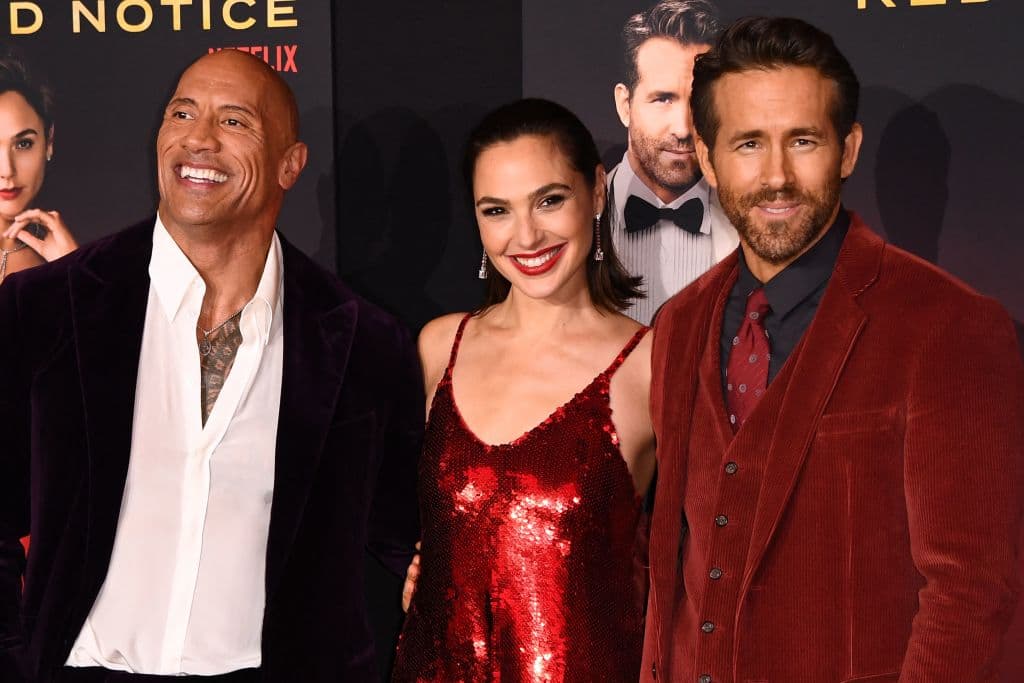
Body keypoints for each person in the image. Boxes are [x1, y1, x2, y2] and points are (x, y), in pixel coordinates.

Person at [0, 50, 422, 682]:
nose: (198, 139)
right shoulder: (45, 306)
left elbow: (404, 540)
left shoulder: (364, 341)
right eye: (182, 113)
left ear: (290, 164)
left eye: (234, 122)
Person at [642, 16, 1024, 683]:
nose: (778, 175)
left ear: (847, 150)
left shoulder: (951, 325)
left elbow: (972, 593)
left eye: (804, 140)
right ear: (706, 156)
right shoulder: (679, 323)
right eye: (749, 143)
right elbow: (676, 565)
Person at [391, 98, 656, 682]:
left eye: (549, 200)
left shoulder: (649, 364)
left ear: (597, 190)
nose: (526, 235)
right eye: (497, 210)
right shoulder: (440, 347)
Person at [610, 0, 738, 324]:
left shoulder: (751, 227)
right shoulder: (576, 223)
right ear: (625, 105)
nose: (684, 128)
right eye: (663, 99)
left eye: (698, 101)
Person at [0, 52, 78, 284]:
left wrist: (74, 267)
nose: (7, 170)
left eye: (23, 144)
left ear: (49, 142)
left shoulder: (62, 261)